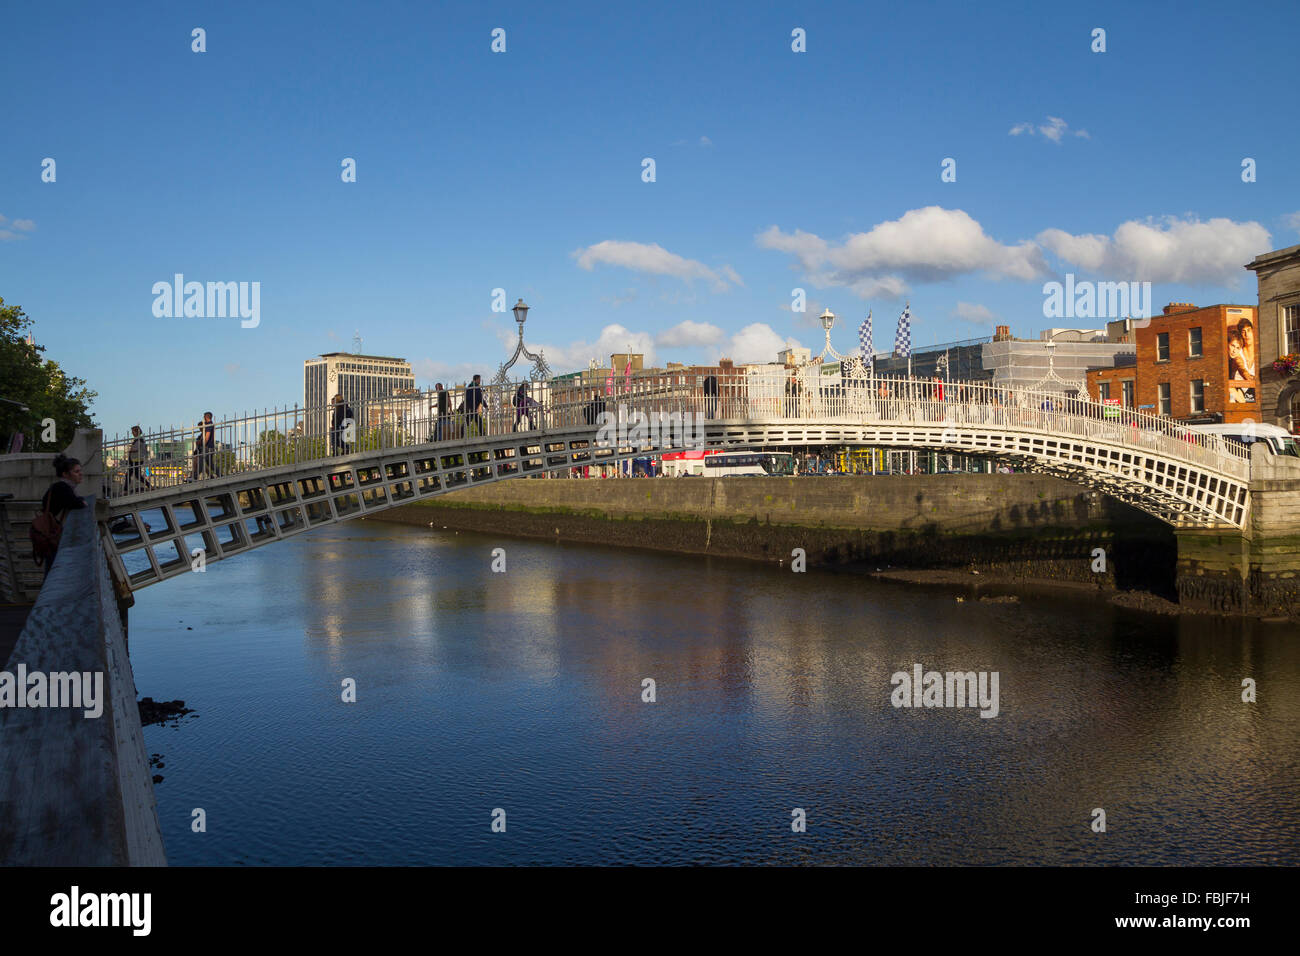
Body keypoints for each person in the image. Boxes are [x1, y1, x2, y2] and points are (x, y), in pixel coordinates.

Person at [32, 454, 86, 578]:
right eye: (76, 471)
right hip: (53, 536)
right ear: (65, 474)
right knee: (53, 570)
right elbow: (75, 503)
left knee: (51, 569)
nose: (80, 474)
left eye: (80, 471)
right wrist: (81, 501)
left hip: (49, 535)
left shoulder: (58, 487)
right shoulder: (63, 488)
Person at [192, 411, 220, 479]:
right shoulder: (210, 424)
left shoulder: (208, 424)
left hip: (207, 447)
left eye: (204, 417)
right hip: (210, 447)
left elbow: (207, 436)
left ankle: (194, 477)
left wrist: (203, 444)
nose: (203, 418)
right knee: (210, 464)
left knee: (201, 462)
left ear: (206, 417)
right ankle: (220, 474)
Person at [126, 425, 151, 493]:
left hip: (135, 460)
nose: (132, 433)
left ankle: (125, 490)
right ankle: (149, 485)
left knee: (128, 475)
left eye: (133, 432)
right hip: (136, 460)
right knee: (137, 476)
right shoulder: (140, 439)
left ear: (137, 432)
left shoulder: (138, 440)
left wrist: (130, 449)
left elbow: (136, 449)